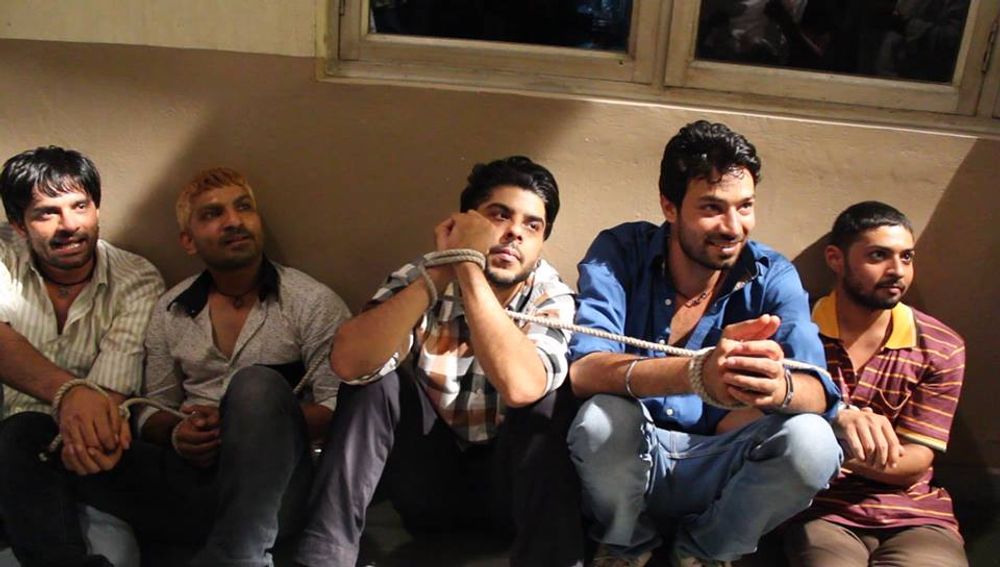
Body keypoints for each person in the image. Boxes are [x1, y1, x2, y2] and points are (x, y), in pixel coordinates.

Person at [567, 120, 843, 566]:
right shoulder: (621, 250)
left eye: (745, 206)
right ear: (669, 206)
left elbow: (819, 391)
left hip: (724, 461)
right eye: (712, 207)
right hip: (637, 450)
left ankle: (705, 552)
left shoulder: (772, 272)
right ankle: (625, 545)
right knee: (600, 421)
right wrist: (698, 374)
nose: (733, 227)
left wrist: (776, 387)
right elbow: (584, 370)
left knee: (814, 442)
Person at [295, 156, 584, 567]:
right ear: (466, 222)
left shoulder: (550, 295)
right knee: (375, 380)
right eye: (499, 215)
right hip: (428, 489)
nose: (515, 232)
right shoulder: (423, 275)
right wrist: (444, 271)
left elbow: (522, 388)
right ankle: (323, 559)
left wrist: (468, 269)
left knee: (547, 396)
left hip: (509, 496)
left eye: (532, 226)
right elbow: (349, 364)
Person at [78, 167, 350, 566]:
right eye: (212, 214)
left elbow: (339, 406)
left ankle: (238, 556)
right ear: (188, 241)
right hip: (193, 478)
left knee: (254, 387)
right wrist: (178, 433)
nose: (233, 221)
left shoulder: (311, 302)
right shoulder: (170, 309)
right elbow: (151, 408)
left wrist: (245, 422)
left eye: (244, 208)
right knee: (37, 436)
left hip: (278, 488)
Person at [0, 146, 164, 567]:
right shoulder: (2, 256)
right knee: (20, 431)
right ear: (18, 224)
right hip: (8, 449)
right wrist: (71, 392)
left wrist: (91, 425)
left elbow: (105, 399)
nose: (69, 225)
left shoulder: (136, 278)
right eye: (46, 213)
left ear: (96, 208)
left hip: (87, 452)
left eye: (79, 206)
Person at [783, 201, 967, 566]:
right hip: (819, 509)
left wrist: (818, 445)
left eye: (906, 257)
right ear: (835, 259)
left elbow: (914, 462)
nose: (897, 271)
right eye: (879, 256)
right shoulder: (795, 333)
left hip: (916, 515)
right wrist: (831, 438)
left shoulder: (941, 346)